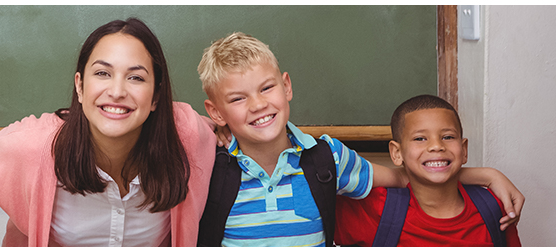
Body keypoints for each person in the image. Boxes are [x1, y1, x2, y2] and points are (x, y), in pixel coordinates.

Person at [195, 32, 524, 246]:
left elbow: (406, 176)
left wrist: (486, 175)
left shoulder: (328, 158)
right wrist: (207, 128)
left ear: (287, 86)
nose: (258, 105)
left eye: (267, 88)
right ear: (217, 111)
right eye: (238, 99)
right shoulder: (206, 160)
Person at [0, 18, 217, 246]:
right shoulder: (33, 146)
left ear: (157, 96)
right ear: (80, 86)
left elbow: (230, 122)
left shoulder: (187, 136)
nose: (117, 91)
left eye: (135, 77)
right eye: (102, 73)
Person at [334, 95, 521, 246]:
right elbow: (317, 175)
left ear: (464, 150)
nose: (436, 146)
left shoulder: (493, 207)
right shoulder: (374, 207)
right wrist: (487, 175)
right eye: (420, 139)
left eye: (447, 136)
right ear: (397, 152)